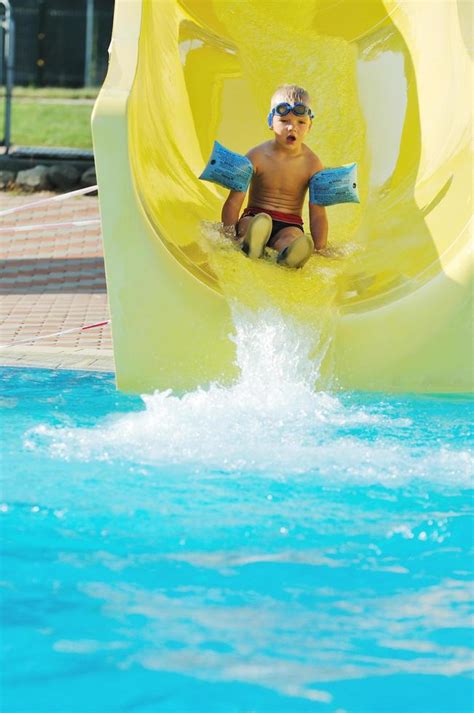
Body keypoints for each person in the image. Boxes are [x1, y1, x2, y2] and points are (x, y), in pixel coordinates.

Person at [221, 84, 328, 268]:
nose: (291, 128)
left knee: (292, 238)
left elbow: (318, 213)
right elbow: (234, 201)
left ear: (310, 125)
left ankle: (288, 254)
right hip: (256, 215)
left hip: (290, 224)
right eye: (284, 120)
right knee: (248, 226)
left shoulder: (313, 164)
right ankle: (250, 243)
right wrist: (228, 234)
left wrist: (320, 248)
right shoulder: (255, 156)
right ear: (271, 121)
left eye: (300, 122)